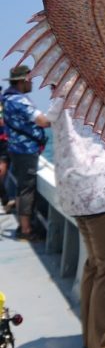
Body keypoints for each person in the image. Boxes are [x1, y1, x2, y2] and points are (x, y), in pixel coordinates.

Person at [48, 97, 105, 348]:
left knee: (95, 266)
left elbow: (45, 120)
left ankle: (89, 340)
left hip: (76, 190)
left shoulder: (61, 93)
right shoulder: (96, 88)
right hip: (103, 190)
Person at [2, 64, 50, 240]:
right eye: (30, 80)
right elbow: (43, 121)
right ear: (22, 81)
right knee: (26, 189)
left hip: (16, 150)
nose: (32, 83)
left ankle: (24, 226)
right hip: (25, 151)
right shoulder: (20, 101)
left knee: (22, 187)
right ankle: (26, 230)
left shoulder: (8, 98)